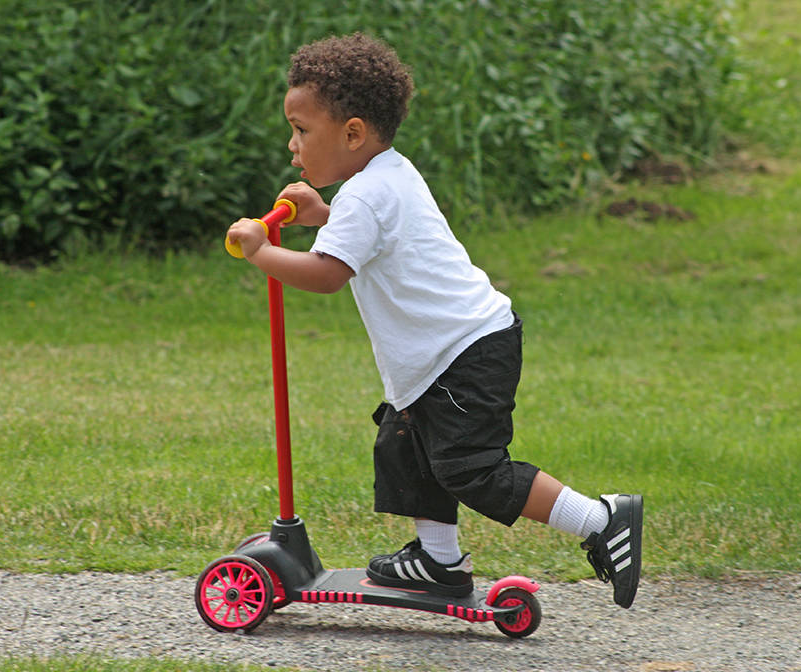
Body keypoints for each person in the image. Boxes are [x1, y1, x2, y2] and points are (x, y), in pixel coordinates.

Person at [226, 32, 643, 608]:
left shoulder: (367, 196)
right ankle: (437, 560)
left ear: (352, 133)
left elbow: (325, 274)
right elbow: (368, 235)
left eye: (302, 130)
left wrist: (258, 250)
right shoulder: (382, 178)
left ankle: (600, 519)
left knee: (473, 469)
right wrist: (324, 213)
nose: (292, 145)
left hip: (463, 350)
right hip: (446, 351)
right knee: (405, 443)